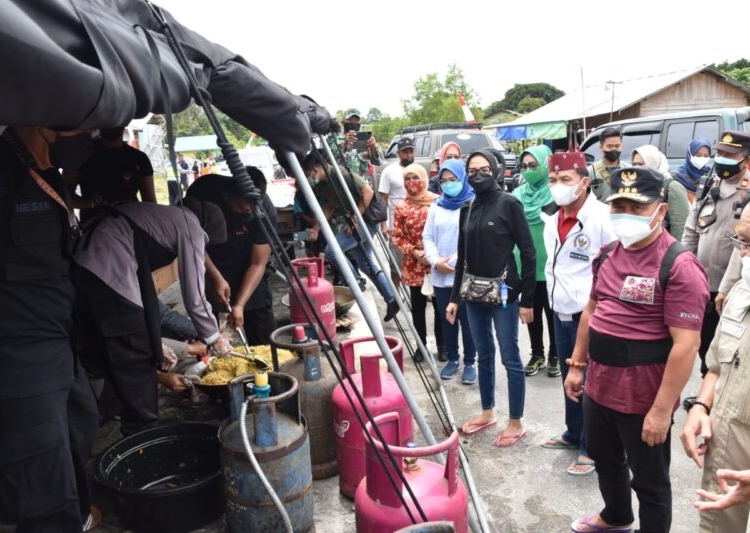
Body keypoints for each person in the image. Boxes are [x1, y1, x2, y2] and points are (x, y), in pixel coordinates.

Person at [564, 166, 709, 533]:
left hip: (643, 393)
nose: (625, 214)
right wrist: (578, 363)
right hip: (600, 383)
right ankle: (616, 516)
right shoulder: (609, 253)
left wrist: (661, 411)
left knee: (649, 481)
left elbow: (687, 345)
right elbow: (592, 310)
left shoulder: (678, 266)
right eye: (619, 206)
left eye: (636, 207)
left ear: (660, 211)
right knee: (604, 457)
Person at [0, 126, 101, 532]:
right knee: (40, 468)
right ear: (41, 119)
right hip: (18, 349)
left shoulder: (50, 174)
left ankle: (77, 516)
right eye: (80, 123)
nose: (88, 133)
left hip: (61, 335)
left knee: (81, 423)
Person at [74, 198, 232, 436]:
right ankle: (144, 436)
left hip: (85, 266)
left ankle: (125, 418)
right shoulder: (191, 227)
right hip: (105, 270)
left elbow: (149, 308)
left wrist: (156, 344)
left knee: (123, 346)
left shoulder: (166, 217)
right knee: (133, 356)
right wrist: (214, 337)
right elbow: (195, 295)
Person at [447, 150, 536, 447]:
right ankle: (487, 412)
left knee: (510, 357)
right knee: (483, 354)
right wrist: (455, 298)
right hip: (473, 294)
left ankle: (516, 421)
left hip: (505, 294)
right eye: (472, 170)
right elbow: (462, 258)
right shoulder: (467, 208)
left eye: (484, 169)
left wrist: (527, 299)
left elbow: (528, 252)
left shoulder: (509, 204)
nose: (478, 175)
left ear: (496, 170)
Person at [540, 151, 616, 477]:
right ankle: (573, 432)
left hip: (590, 313)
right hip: (560, 310)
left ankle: (591, 447)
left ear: (584, 182)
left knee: (588, 383)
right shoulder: (552, 217)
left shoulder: (602, 217)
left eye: (566, 180)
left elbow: (613, 267)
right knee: (568, 376)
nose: (558, 186)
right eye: (554, 180)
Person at [679, 199, 750, 532]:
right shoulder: (740, 294)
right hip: (726, 453)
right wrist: (701, 407)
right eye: (742, 242)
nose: (744, 255)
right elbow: (717, 365)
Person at [682, 131, 750, 378]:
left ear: (745, 159)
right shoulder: (708, 186)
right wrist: (685, 270)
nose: (722, 159)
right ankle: (706, 396)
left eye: (730, 155)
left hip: (735, 288)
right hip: (702, 285)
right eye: (720, 153)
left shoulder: (748, 191)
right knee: (705, 345)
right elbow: (691, 231)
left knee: (731, 350)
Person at [302, 151, 399, 321]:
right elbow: (328, 208)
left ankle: (356, 282)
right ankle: (392, 299)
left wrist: (355, 219)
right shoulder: (323, 184)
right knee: (365, 262)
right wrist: (316, 229)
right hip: (356, 222)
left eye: (309, 173)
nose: (310, 177)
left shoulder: (340, 174)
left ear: (317, 167)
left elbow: (367, 192)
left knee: (332, 251)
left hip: (365, 220)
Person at [187, 168, 278, 345]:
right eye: (241, 208)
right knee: (206, 321)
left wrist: (240, 305)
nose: (248, 211)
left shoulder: (265, 210)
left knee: (261, 325)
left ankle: (267, 366)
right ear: (227, 197)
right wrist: (216, 277)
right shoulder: (202, 194)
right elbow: (192, 242)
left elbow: (258, 263)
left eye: (252, 207)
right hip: (208, 259)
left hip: (248, 260)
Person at [423, 158, 477, 383]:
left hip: (464, 273)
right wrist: (436, 261)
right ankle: (453, 359)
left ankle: (469, 362)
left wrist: (453, 262)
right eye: (443, 181)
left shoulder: (472, 203)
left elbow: (473, 236)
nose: (447, 185)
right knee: (447, 319)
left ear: (462, 179)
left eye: (452, 180)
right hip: (440, 274)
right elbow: (427, 236)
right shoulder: (437, 205)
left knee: (468, 320)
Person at [513, 144, 559, 378]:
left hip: (551, 264)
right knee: (530, 310)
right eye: (525, 166)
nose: (529, 169)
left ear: (545, 165)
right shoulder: (517, 194)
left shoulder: (557, 192)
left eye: (534, 165)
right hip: (526, 264)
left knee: (553, 313)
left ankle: (555, 354)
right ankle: (537, 353)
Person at [392, 164, 443, 363]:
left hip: (436, 263)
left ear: (424, 178)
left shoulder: (438, 202)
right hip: (414, 265)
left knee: (440, 306)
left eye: (415, 178)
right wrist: (413, 250)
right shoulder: (401, 206)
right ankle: (421, 346)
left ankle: (443, 345)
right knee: (418, 308)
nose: (411, 182)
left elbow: (445, 231)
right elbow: (397, 236)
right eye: (407, 179)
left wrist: (431, 253)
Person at [67, 126, 156, 223]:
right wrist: (88, 203)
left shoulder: (138, 158)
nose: (113, 124)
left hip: (131, 226)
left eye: (117, 121)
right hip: (94, 228)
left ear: (125, 123)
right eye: (109, 121)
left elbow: (150, 202)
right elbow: (63, 196)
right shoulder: (81, 155)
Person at [631, 144, 691, 241]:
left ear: (653, 163)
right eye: (634, 164)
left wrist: (673, 252)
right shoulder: (636, 187)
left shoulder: (672, 187)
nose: (637, 168)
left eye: (641, 164)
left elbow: (679, 227)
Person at [378, 137, 414, 239]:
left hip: (416, 223)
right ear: (398, 154)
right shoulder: (389, 171)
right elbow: (383, 200)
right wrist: (384, 224)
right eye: (405, 152)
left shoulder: (419, 171)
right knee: (396, 252)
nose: (409, 155)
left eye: (411, 151)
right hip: (396, 223)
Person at [335, 108, 382, 177]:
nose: (354, 123)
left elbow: (378, 162)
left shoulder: (365, 138)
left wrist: (373, 148)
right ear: (343, 122)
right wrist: (345, 143)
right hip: (343, 184)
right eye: (350, 120)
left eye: (357, 121)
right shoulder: (335, 140)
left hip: (363, 185)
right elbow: (331, 161)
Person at [671, 137, 713, 203]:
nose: (702, 158)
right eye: (698, 155)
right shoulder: (676, 176)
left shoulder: (709, 175)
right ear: (689, 155)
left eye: (706, 156)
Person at [587, 127, 623, 203]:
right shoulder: (590, 171)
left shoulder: (629, 169)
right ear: (601, 147)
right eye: (609, 146)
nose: (614, 149)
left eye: (617, 146)